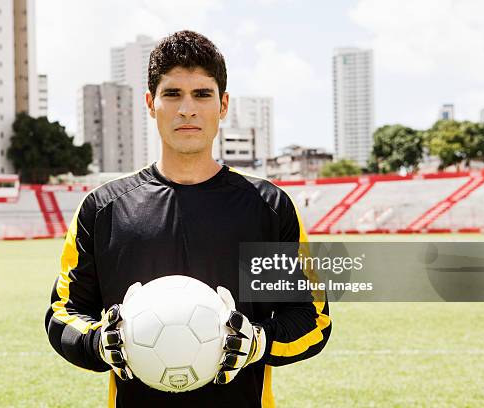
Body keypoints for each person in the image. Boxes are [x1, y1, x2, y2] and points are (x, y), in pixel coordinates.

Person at [45, 30, 331, 408]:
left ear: (223, 104)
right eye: (172, 94)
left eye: (201, 94)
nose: (187, 109)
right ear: (151, 103)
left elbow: (312, 318)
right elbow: (63, 315)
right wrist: (99, 342)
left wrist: (258, 341)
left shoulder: (268, 207)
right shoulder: (102, 209)